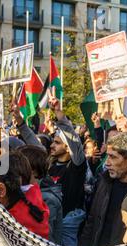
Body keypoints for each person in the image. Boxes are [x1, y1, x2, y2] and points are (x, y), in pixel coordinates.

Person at [46, 88, 87, 216]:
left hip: (67, 224)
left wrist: (58, 112)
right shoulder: (49, 165)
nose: (52, 145)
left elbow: (73, 140)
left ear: (68, 147)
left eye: (57, 143)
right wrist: (20, 122)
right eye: (53, 141)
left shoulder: (76, 167)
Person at [19, 145, 64, 245]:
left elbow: (47, 240)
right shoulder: (21, 190)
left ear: (32, 171)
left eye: (19, 164)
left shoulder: (47, 199)